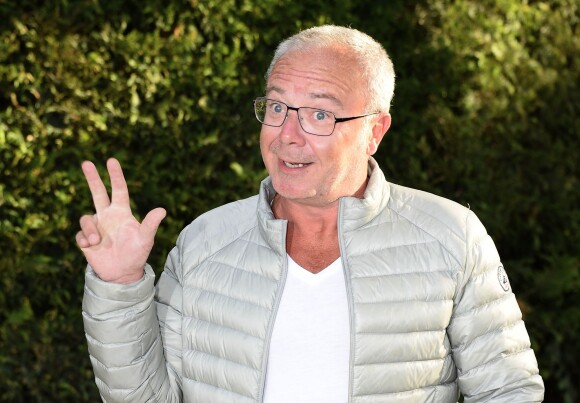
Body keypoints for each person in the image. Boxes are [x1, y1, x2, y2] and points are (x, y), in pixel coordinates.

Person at [78, 25, 544, 402]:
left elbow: (508, 389)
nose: (287, 135)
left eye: (320, 115)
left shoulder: (452, 236)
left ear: (374, 131)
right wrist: (119, 286)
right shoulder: (205, 241)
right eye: (278, 106)